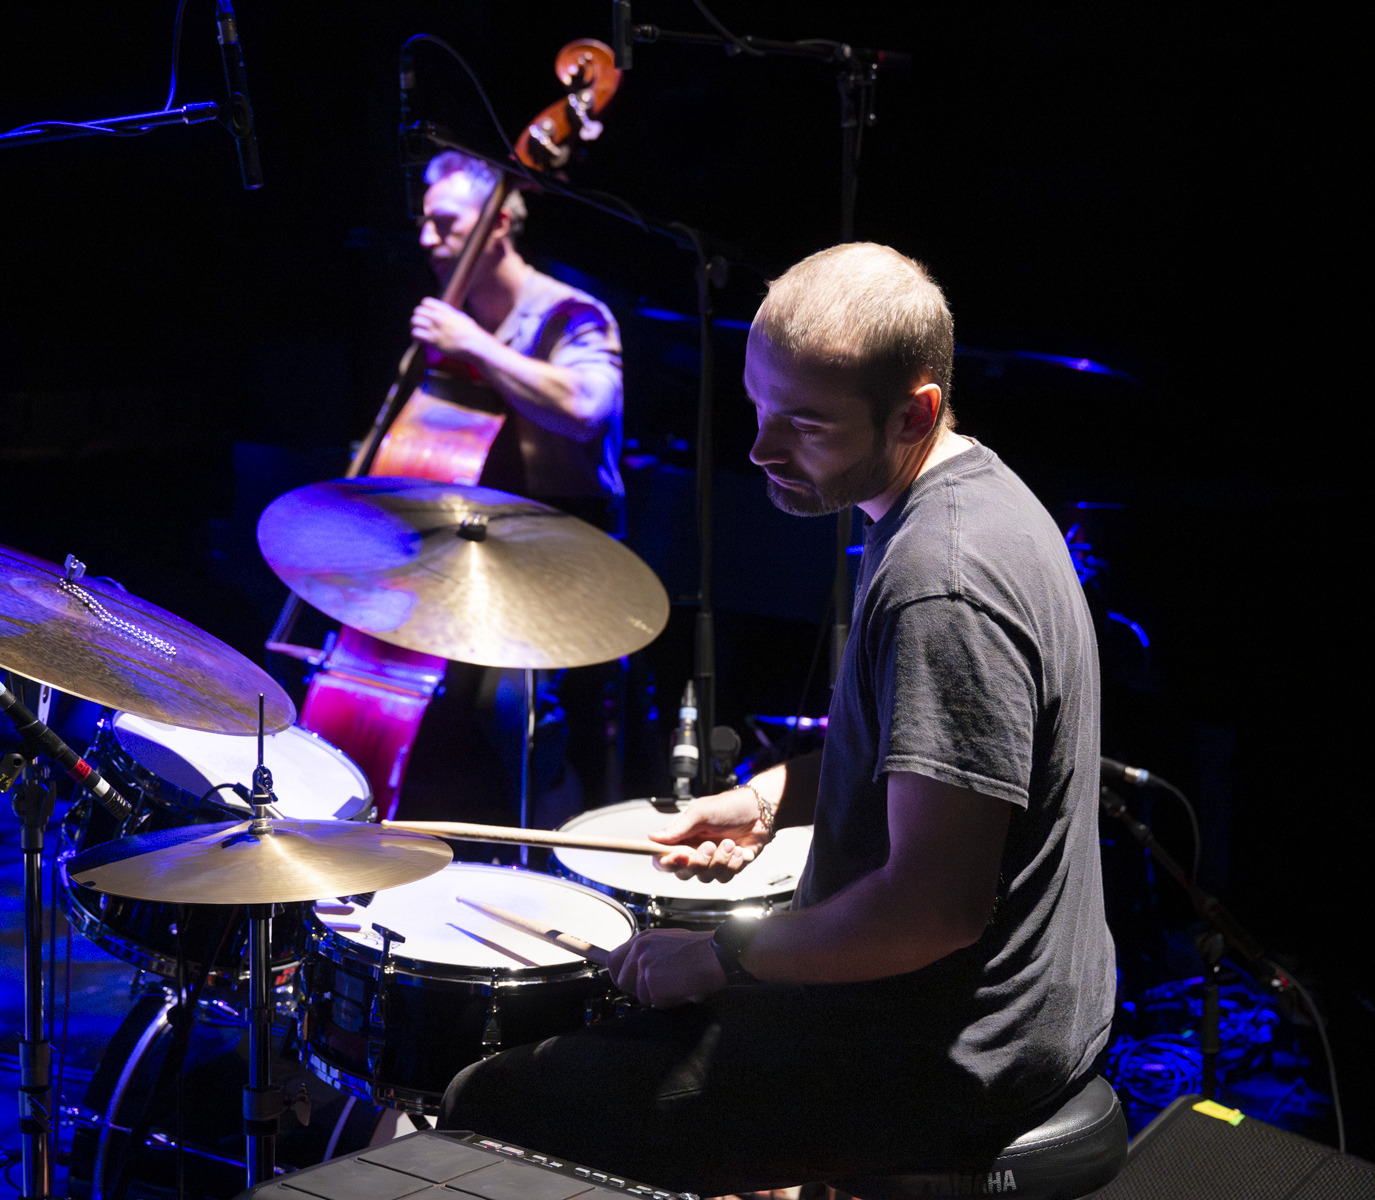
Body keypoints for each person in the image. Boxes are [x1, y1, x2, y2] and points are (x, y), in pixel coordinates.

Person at [441, 243, 1115, 1193]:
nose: (761, 448)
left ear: (915, 412)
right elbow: (912, 751)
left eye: (805, 423)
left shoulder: (944, 581)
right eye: (761, 406)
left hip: (953, 1051)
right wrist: (763, 802)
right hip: (986, 1010)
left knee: (494, 1102)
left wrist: (723, 956)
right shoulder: (967, 497)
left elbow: (933, 909)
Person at [398, 151, 627, 828]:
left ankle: (556, 852)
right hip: (472, 545)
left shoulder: (571, 313)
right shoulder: (454, 322)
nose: (426, 239)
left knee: (511, 708)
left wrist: (475, 344)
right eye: (423, 222)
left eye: (446, 223)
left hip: (567, 543)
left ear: (498, 223)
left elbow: (585, 408)